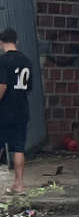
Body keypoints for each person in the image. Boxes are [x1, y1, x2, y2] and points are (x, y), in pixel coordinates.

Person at [0, 28, 33, 196]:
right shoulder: (26, 61)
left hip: (5, 112)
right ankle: (19, 185)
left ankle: (15, 185)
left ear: (1, 42)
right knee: (19, 147)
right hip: (22, 109)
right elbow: (28, 88)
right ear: (16, 41)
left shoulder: (2, 61)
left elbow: (2, 86)